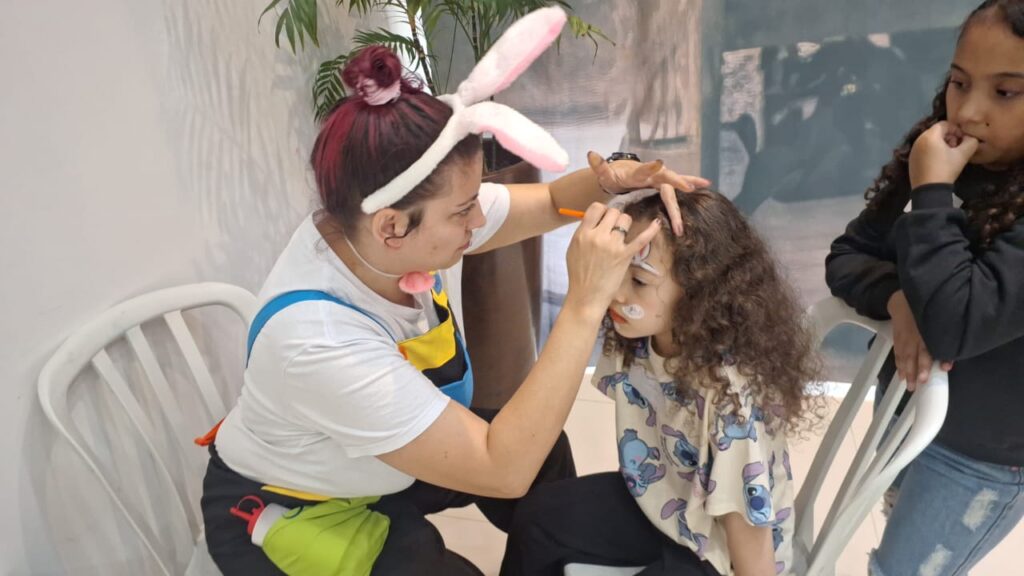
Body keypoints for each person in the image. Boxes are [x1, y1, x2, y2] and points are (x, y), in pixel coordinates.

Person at [198, 9, 710, 575]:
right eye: (464, 211)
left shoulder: (376, 226)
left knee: (546, 458)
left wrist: (613, 178)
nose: (479, 220)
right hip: (299, 508)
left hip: (368, 459)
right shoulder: (318, 343)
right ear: (393, 226)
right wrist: (585, 300)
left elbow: (546, 204)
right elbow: (501, 468)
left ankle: (557, 554)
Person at [501, 190, 822, 576]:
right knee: (538, 518)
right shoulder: (641, 334)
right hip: (660, 499)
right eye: (616, 271)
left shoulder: (729, 399)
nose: (617, 293)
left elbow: (748, 533)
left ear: (699, 292)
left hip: (718, 551)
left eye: (638, 280)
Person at [825, 2, 1024, 573]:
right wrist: (898, 299)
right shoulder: (947, 152)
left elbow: (957, 323)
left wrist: (933, 191)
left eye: (1005, 92)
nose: (969, 111)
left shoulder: (939, 169)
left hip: (981, 457)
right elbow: (850, 254)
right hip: (906, 417)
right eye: (959, 83)